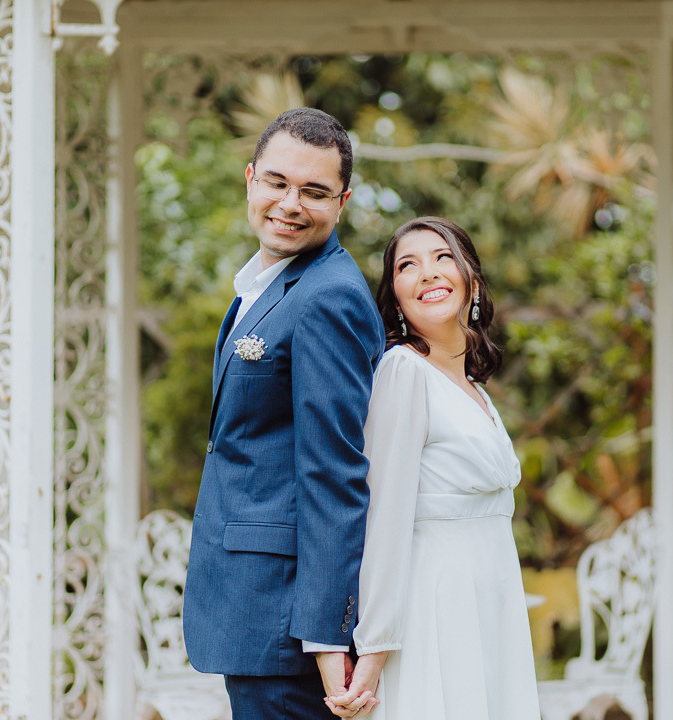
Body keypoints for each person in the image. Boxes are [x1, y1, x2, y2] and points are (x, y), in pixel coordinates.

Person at [182, 108, 385, 719]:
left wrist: (325, 639)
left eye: (314, 192)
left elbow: (334, 475)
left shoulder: (328, 299)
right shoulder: (267, 286)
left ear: (341, 201)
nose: (291, 204)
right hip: (249, 608)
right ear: (250, 179)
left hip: (285, 626)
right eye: (277, 182)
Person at [327, 217, 541, 719]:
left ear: (473, 282)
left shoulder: (477, 392)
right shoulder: (403, 371)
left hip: (493, 603)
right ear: (396, 299)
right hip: (436, 610)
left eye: (443, 257)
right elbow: (384, 517)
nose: (427, 272)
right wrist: (373, 649)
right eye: (408, 265)